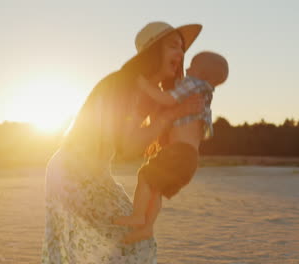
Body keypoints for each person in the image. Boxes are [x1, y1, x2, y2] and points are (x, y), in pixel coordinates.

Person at [41, 21, 203, 263]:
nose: (180, 54)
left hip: (91, 173)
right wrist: (170, 115)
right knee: (131, 243)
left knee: (126, 242)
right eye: (173, 47)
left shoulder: (147, 91)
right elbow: (128, 147)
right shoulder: (127, 85)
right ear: (154, 51)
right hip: (73, 174)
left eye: (182, 48)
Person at [113, 52, 229, 243]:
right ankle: (147, 228)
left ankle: (138, 215)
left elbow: (167, 99)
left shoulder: (193, 85)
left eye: (193, 66)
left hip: (178, 152)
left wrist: (144, 85)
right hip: (190, 159)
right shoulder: (206, 96)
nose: (188, 69)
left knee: (144, 176)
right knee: (155, 190)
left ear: (204, 76)